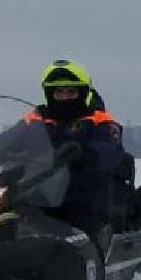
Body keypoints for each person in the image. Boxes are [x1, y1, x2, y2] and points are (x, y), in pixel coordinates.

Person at [25, 59, 126, 256]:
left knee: (79, 244)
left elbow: (109, 148)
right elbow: (13, 136)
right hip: (39, 192)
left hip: (83, 196)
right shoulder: (37, 118)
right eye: (59, 92)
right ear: (50, 94)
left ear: (82, 92)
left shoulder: (99, 120)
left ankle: (92, 270)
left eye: (71, 92)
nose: (64, 97)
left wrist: (88, 154)